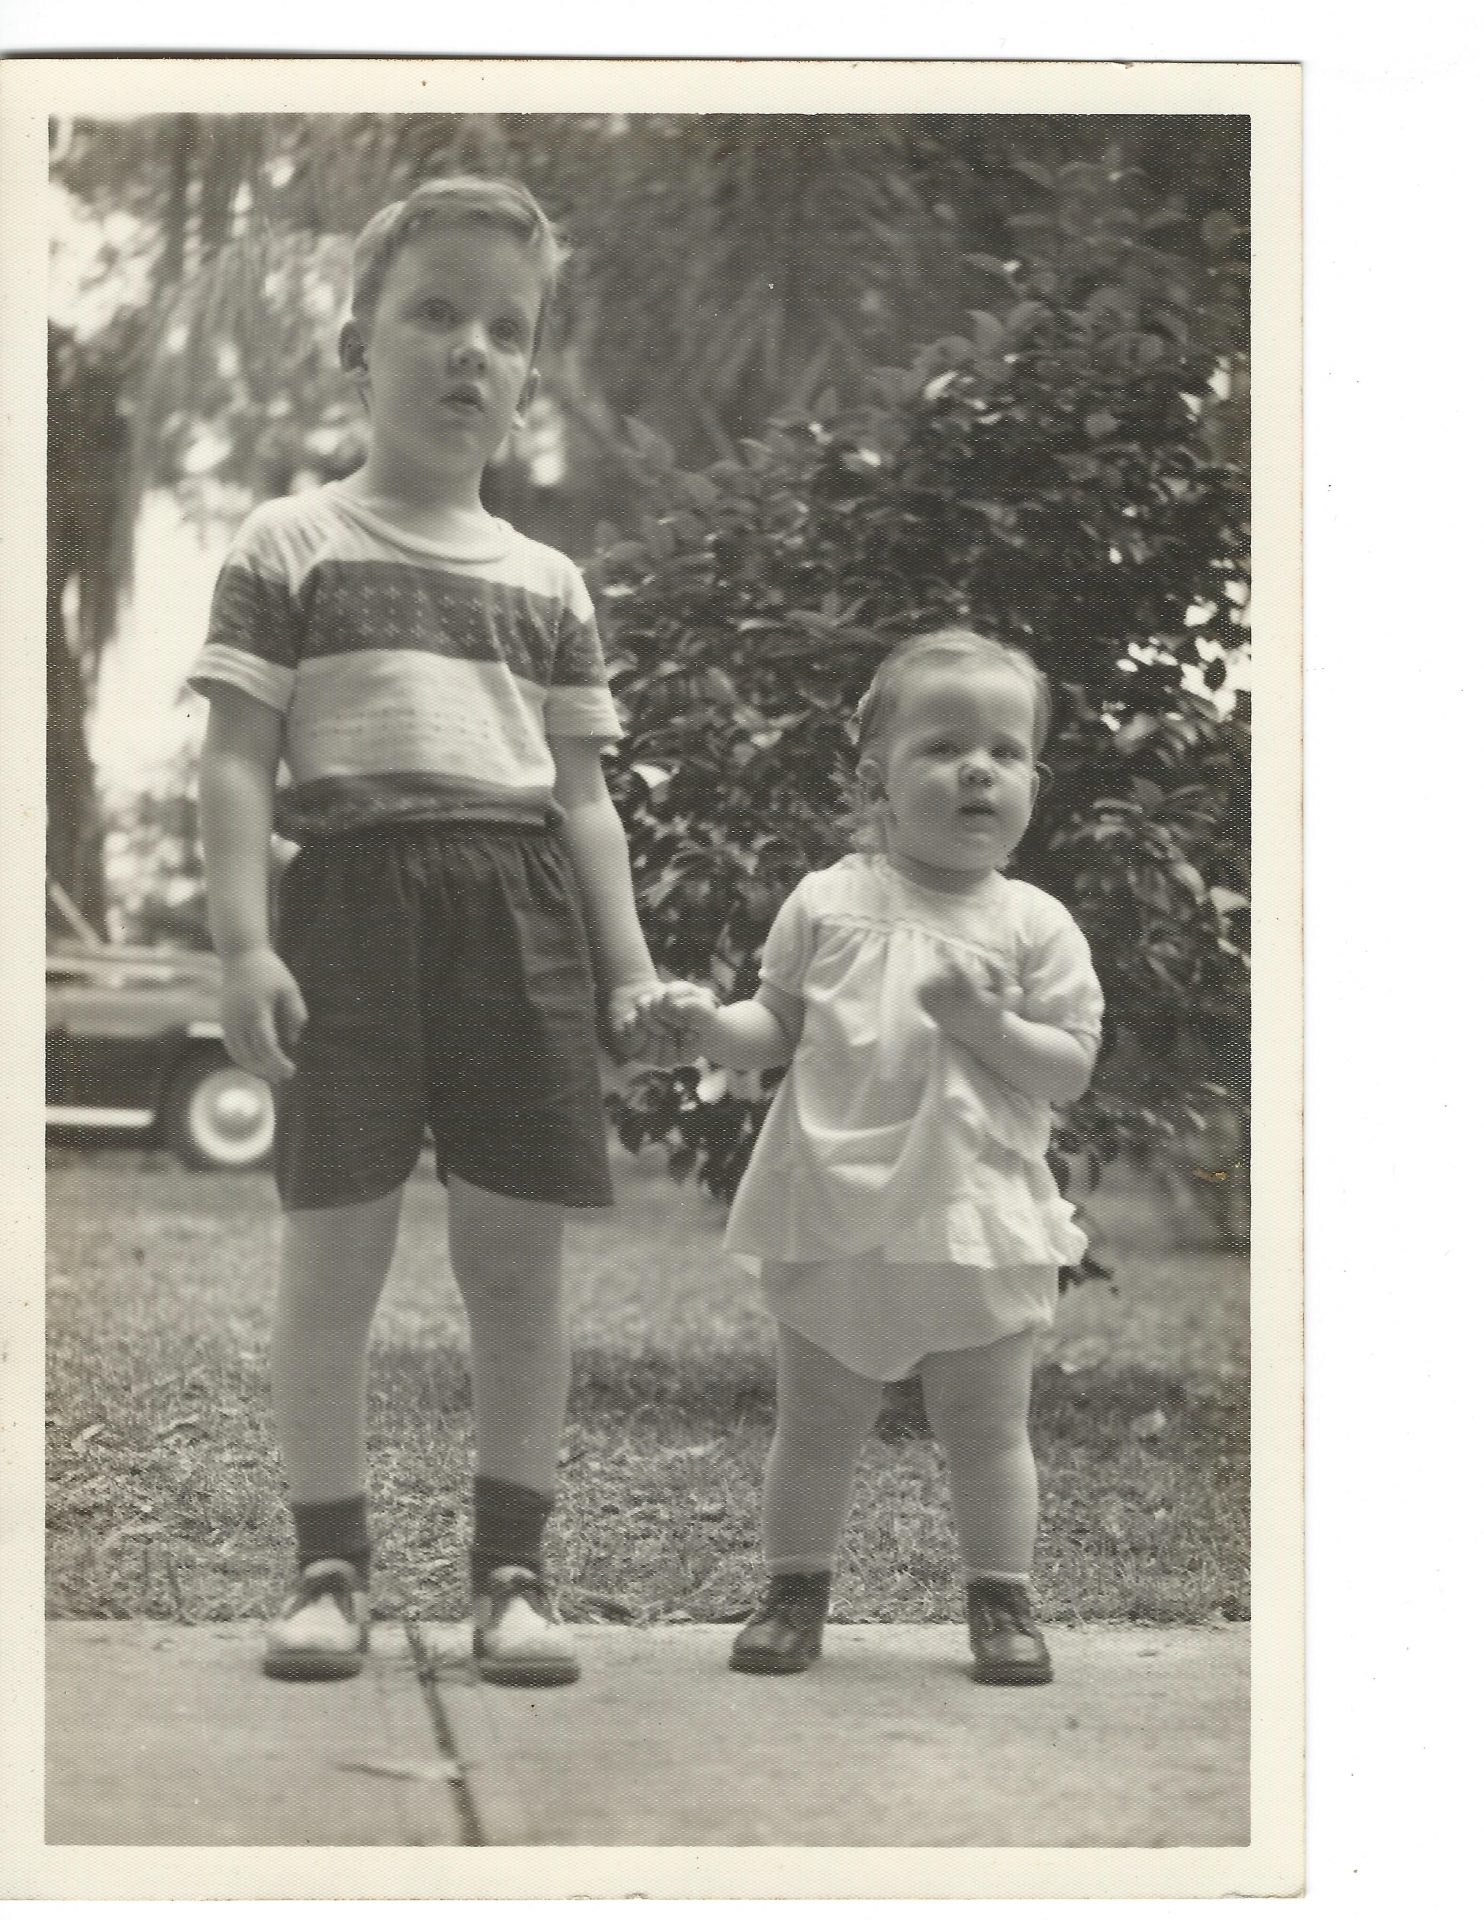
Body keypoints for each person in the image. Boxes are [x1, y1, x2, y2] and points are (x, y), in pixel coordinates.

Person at [192, 177, 674, 1686]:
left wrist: (627, 968)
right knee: (331, 1256)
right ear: (358, 345)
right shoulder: (290, 542)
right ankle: (327, 1569)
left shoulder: (548, 583)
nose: (473, 348)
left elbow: (585, 800)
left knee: (514, 1268)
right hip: (346, 907)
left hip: (517, 917)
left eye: (507, 329)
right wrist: (245, 943)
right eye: (436, 313)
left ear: (528, 373)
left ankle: (512, 1577)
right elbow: (235, 760)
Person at [636, 630, 1103, 1683]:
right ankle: (793, 1591)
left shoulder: (1033, 924)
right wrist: (708, 1025)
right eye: (942, 746)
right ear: (875, 781)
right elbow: (774, 1025)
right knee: (816, 1419)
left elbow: (1069, 1067)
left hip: (970, 1208)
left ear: (1033, 783)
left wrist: (985, 1026)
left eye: (1005, 751)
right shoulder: (827, 901)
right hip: (834, 1198)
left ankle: (1001, 1600)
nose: (977, 769)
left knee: (987, 1424)